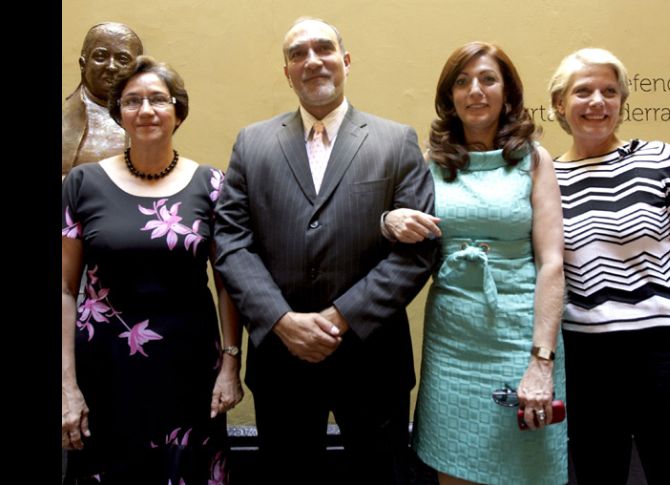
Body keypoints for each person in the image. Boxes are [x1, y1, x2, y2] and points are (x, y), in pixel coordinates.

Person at [213, 17, 437, 484]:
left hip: (372, 359)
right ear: (287, 73)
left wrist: (340, 318)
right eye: (298, 54)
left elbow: (416, 253)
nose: (312, 60)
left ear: (346, 61)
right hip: (281, 360)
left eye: (324, 49)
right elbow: (231, 241)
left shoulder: (396, 141)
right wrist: (281, 320)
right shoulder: (251, 144)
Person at [382, 41, 567, 484]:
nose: (475, 91)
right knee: (454, 465)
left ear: (508, 92)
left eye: (488, 80)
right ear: (450, 98)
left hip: (521, 337)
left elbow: (552, 264)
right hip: (453, 343)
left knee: (529, 468)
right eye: (462, 82)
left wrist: (541, 361)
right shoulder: (431, 161)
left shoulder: (533, 160)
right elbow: (396, 224)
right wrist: (390, 220)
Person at [62, 55, 243, 484]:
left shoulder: (212, 185)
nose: (145, 110)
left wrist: (231, 365)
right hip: (104, 370)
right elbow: (64, 289)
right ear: (119, 113)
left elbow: (228, 284)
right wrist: (66, 385)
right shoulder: (82, 184)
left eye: (158, 99)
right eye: (132, 101)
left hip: (190, 371)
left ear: (178, 111)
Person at [547, 47, 670, 484]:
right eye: (583, 91)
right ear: (559, 103)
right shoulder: (545, 178)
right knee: (598, 474)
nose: (597, 102)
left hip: (668, 351)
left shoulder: (660, 159)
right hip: (586, 356)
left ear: (621, 101)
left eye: (609, 91)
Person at [62, 22, 143, 179]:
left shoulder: (149, 122)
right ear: (83, 64)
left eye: (123, 59)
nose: (111, 66)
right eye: (100, 57)